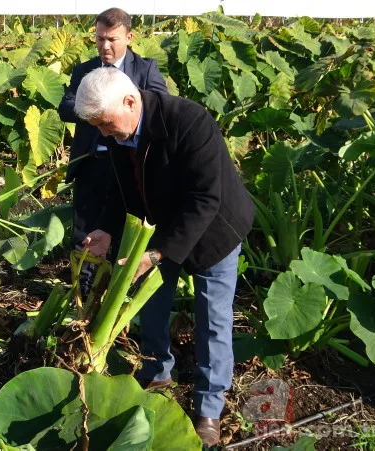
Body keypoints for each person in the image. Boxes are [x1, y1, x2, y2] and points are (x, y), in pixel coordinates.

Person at [74, 68, 255, 447]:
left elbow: (206, 199)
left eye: (106, 125)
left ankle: (209, 407)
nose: (105, 134)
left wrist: (158, 253)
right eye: (98, 128)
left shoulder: (188, 120)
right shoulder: (118, 128)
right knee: (151, 302)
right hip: (159, 225)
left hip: (214, 230)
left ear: (130, 101)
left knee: (213, 318)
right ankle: (157, 371)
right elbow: (120, 188)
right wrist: (108, 228)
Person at [58, 7, 168, 292]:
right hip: (92, 163)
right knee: (85, 233)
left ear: (129, 37)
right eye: (99, 39)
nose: (105, 46)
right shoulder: (85, 70)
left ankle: (121, 295)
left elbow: (159, 105)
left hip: (131, 162)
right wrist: (101, 111)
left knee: (126, 228)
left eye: (112, 39)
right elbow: (66, 107)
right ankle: (83, 293)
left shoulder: (145, 69)